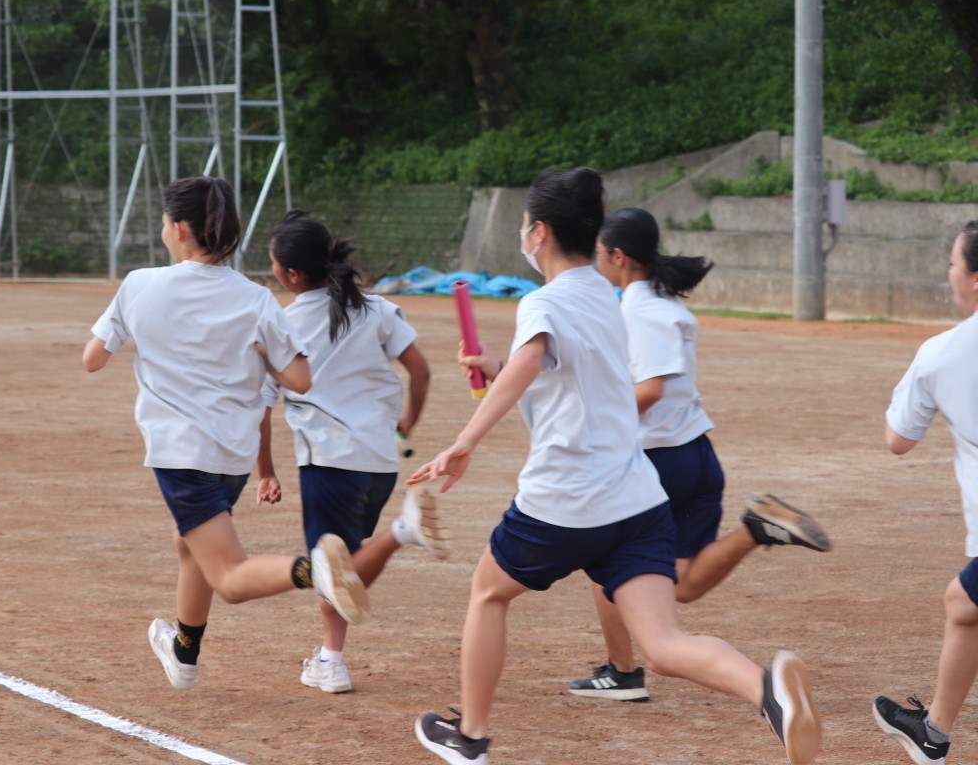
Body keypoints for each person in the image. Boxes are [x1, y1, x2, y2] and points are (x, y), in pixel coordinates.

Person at [408, 166, 822, 765]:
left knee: (487, 594)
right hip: (636, 496)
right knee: (661, 644)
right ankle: (767, 690)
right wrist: (498, 367)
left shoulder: (544, 302)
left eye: (525, 225)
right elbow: (560, 371)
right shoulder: (608, 295)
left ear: (539, 232)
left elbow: (534, 362)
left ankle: (469, 737)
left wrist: (466, 438)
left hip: (565, 499)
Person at [82, 176, 370, 692]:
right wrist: (260, 349)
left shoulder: (140, 284)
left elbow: (92, 359)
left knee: (230, 577)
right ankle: (184, 657)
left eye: (167, 223)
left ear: (180, 229)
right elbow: (300, 379)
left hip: (181, 454)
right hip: (232, 457)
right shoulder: (256, 299)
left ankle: (317, 572)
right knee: (190, 544)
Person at [568, 207, 833, 702]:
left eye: (600, 254)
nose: (597, 261)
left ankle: (622, 672)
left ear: (619, 257)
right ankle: (757, 527)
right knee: (683, 583)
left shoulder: (638, 312)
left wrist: (591, 419)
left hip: (657, 463)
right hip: (695, 456)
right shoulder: (666, 305)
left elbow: (650, 390)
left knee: (604, 561)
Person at [258, 210, 446, 694]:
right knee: (347, 562)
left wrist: (266, 471)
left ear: (291, 274)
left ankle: (333, 660)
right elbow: (421, 371)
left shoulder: (280, 324)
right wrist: (407, 422)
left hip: (329, 460)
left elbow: (261, 407)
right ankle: (329, 655)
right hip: (380, 461)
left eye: (274, 264)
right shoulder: (375, 308)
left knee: (330, 564)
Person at [874, 220, 978, 765]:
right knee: (964, 603)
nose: (950, 275)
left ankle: (934, 731)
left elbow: (898, 440)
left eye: (954, 265)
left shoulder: (942, 353)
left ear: (976, 279)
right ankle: (934, 730)